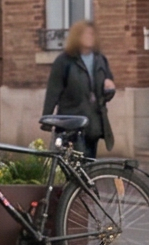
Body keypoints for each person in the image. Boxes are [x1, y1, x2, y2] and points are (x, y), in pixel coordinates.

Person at [42, 18, 116, 158]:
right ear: (77, 37)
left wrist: (109, 88)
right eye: (86, 34)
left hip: (93, 122)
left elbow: (106, 93)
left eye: (92, 34)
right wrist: (47, 119)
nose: (90, 37)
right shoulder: (64, 61)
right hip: (71, 122)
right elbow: (53, 92)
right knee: (74, 164)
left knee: (89, 165)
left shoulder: (100, 60)